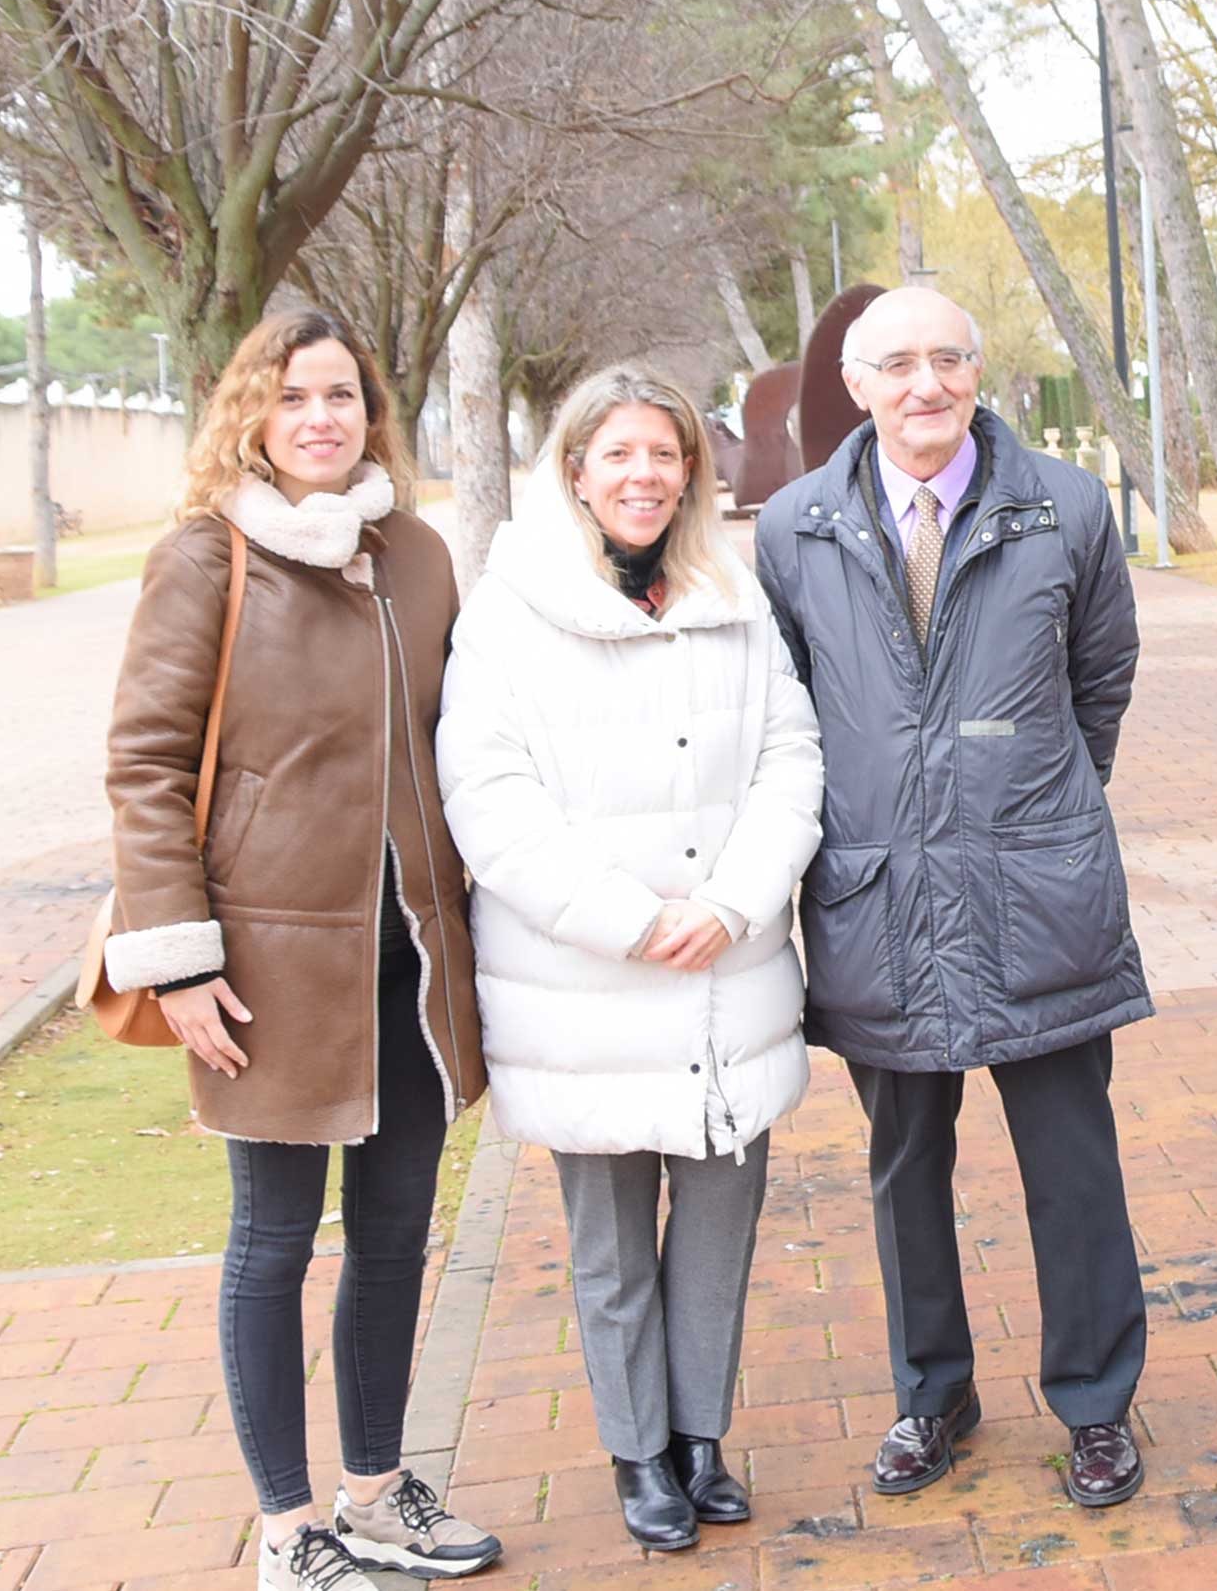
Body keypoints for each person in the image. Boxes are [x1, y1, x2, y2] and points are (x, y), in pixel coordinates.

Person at [102, 311, 499, 1591]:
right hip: (262, 965)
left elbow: (466, 739)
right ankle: (287, 1532)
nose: (321, 416)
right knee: (273, 1242)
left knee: (394, 1238)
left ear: (369, 412)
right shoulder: (207, 561)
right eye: (293, 396)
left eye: (341, 394)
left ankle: (378, 1493)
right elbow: (149, 764)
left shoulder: (419, 555)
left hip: (411, 956)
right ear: (253, 417)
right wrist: (176, 956)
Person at [752, 286, 1152, 1509]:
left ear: (979, 372)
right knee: (903, 1167)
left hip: (1037, 892)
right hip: (876, 899)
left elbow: (1103, 680)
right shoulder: (794, 525)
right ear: (858, 386)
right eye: (897, 365)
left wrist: (1030, 808)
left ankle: (1095, 1405)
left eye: (948, 360)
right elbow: (787, 704)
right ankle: (933, 1394)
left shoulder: (1066, 507)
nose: (925, 385)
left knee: (1072, 1168)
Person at [437, 367, 825, 1553]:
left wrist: (736, 899)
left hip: (725, 967)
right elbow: (488, 795)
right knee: (610, 1242)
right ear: (575, 472)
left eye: (665, 457)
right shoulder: (510, 610)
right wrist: (625, 918)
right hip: (589, 980)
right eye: (620, 457)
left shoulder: (732, 595)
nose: (645, 478)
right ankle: (637, 1449)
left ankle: (700, 1437)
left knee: (720, 1219)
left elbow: (789, 754)